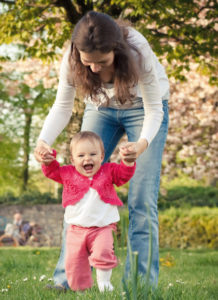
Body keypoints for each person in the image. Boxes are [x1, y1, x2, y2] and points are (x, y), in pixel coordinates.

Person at [34, 11, 169, 290]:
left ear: (116, 50)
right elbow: (62, 106)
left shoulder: (137, 50)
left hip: (143, 110)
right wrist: (43, 141)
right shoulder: (72, 56)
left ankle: (140, 285)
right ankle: (67, 280)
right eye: (88, 62)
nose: (94, 69)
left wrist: (141, 145)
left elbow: (155, 109)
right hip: (101, 110)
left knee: (142, 201)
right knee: (78, 188)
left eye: (102, 61)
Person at [41, 131, 136, 292]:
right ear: (72, 159)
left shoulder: (109, 171)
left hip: (102, 227)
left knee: (103, 253)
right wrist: (48, 161)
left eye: (93, 154)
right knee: (74, 261)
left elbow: (123, 175)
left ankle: (104, 284)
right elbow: (52, 171)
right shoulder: (67, 173)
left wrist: (127, 162)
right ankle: (80, 289)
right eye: (81, 155)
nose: (87, 159)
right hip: (76, 229)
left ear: (101, 156)